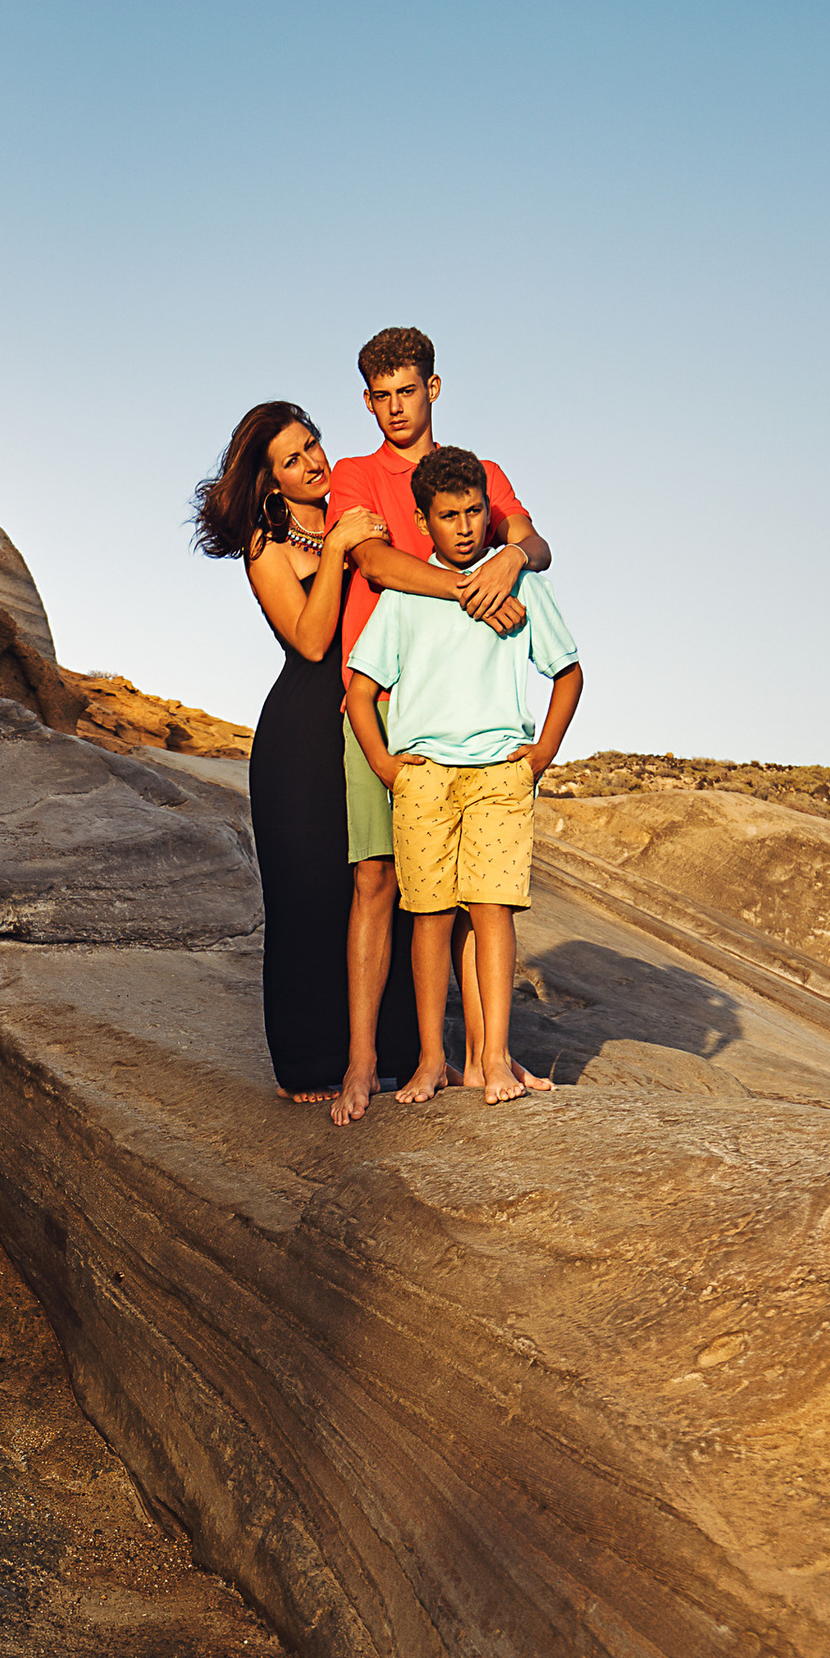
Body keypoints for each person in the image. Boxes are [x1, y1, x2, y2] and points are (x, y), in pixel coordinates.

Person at [326, 327, 549, 1121]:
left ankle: (486, 1054)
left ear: (434, 388)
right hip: (385, 703)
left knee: (469, 893)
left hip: (465, 713)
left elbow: (534, 543)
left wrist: (508, 559)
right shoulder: (354, 476)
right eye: (382, 396)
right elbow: (375, 564)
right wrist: (468, 586)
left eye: (408, 391)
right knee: (377, 880)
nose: (396, 407)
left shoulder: (479, 474)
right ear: (367, 401)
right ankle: (362, 1063)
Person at [345, 444, 584, 1107]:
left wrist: (542, 752)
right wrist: (385, 765)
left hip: (498, 778)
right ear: (424, 522)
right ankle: (430, 1061)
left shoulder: (521, 584)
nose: (464, 526)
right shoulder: (404, 596)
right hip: (424, 779)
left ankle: (495, 1060)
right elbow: (360, 691)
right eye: (448, 515)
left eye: (475, 511)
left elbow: (568, 673)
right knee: (429, 917)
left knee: (492, 911)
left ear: (488, 511)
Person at [192, 400, 411, 1099]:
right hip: (302, 737)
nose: (313, 462)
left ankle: (391, 1049)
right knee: (310, 895)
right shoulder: (266, 548)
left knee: (386, 886)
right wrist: (339, 550)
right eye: (293, 459)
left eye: (312, 444)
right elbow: (313, 641)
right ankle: (307, 1062)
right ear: (270, 481)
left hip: (374, 719)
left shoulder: (359, 507)